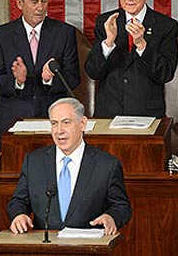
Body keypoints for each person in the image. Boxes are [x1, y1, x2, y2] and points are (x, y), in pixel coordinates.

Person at [7, 97, 132, 235]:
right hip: (45, 246)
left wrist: (111, 218)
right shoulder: (34, 161)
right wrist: (19, 215)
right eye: (54, 123)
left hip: (87, 247)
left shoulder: (107, 165)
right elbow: (18, 201)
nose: (59, 130)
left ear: (82, 124)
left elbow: (121, 207)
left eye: (66, 122)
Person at [0, 0, 80, 150]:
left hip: (53, 121)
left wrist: (48, 79)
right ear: (19, 3)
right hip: (14, 122)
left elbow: (74, 78)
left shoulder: (63, 33)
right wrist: (17, 81)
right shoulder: (0, 36)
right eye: (34, 2)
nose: (40, 8)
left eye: (44, 1)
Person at [84, 0, 178, 118]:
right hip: (108, 114)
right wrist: (108, 42)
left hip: (146, 115)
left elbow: (165, 73)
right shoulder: (106, 22)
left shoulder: (165, 26)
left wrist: (142, 45)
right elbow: (93, 71)